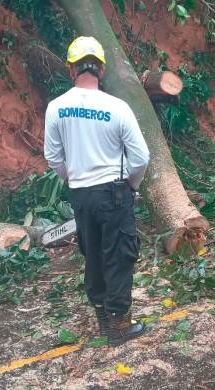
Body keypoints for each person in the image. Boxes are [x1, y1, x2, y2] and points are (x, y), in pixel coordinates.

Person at [44, 36, 151, 347]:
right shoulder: (117, 107)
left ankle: (103, 316)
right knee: (118, 254)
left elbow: (53, 158)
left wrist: (74, 179)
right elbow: (141, 157)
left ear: (71, 69)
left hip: (80, 194)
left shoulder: (56, 108)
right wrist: (131, 185)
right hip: (113, 192)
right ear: (101, 69)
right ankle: (119, 325)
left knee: (92, 254)